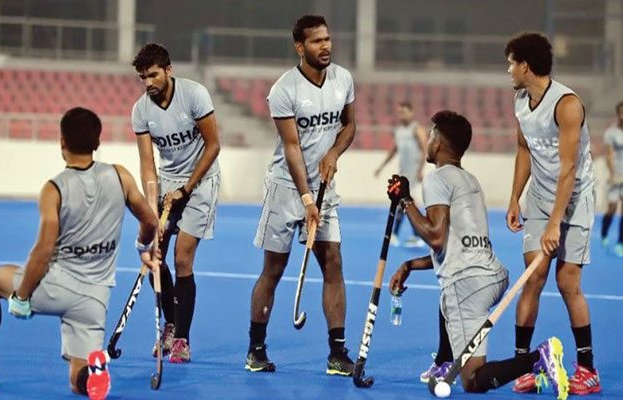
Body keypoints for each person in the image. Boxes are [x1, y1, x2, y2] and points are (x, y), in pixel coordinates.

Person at [0, 107, 160, 399]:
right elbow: (150, 221)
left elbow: (43, 251)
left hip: (55, 287)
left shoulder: (54, 189)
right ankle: (91, 375)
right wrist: (143, 247)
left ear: (62, 142)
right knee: (77, 379)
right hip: (95, 298)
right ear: (97, 142)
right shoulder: (120, 176)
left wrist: (22, 297)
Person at [388, 110, 569, 399]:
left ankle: (537, 359)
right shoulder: (469, 180)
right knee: (448, 294)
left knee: (472, 380)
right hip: (492, 276)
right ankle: (444, 361)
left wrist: (406, 201)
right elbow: (455, 247)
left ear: (439, 143)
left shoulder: (437, 179)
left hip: (468, 286)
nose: (428, 141)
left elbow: (435, 237)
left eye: (431, 135)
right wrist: (410, 265)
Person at [246, 14, 356, 375]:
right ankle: (256, 349)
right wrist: (307, 200)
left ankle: (337, 352)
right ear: (299, 47)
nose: (325, 46)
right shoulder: (284, 90)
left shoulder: (343, 79)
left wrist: (334, 153)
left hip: (326, 188)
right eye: (316, 41)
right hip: (286, 189)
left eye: (327, 39)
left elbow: (349, 125)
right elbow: (292, 148)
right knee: (274, 269)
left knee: (333, 262)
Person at [504, 32, 600, 395]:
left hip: (576, 199)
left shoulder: (567, 104)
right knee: (533, 278)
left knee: (567, 282)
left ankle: (588, 370)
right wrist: (515, 198)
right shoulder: (520, 100)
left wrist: (555, 223)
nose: (509, 70)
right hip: (541, 197)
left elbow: (569, 168)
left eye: (511, 63)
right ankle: (522, 365)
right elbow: (523, 150)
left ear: (525, 66)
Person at [131, 42, 221, 363]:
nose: (148, 83)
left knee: (183, 257)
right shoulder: (141, 110)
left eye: (153, 75)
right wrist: (151, 206)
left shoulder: (194, 95)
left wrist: (187, 188)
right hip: (167, 182)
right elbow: (147, 164)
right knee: (155, 255)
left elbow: (213, 145)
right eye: (143, 77)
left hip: (202, 179)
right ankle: (170, 323)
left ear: (168, 71)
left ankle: (182, 338)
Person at [374, 101, 428, 247]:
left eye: (404, 112)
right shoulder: (399, 131)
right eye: (400, 112)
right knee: (408, 203)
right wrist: (381, 167)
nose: (401, 115)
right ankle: (416, 235)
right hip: (403, 172)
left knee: (403, 201)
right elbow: (393, 151)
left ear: (411, 112)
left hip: (413, 172)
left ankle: (397, 234)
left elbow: (424, 149)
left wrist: (420, 169)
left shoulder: (416, 129)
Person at [602, 101, 623, 257]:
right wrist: (613, 174)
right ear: (618, 114)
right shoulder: (611, 133)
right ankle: (604, 233)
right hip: (616, 175)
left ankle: (620, 242)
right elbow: (609, 154)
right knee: (612, 208)